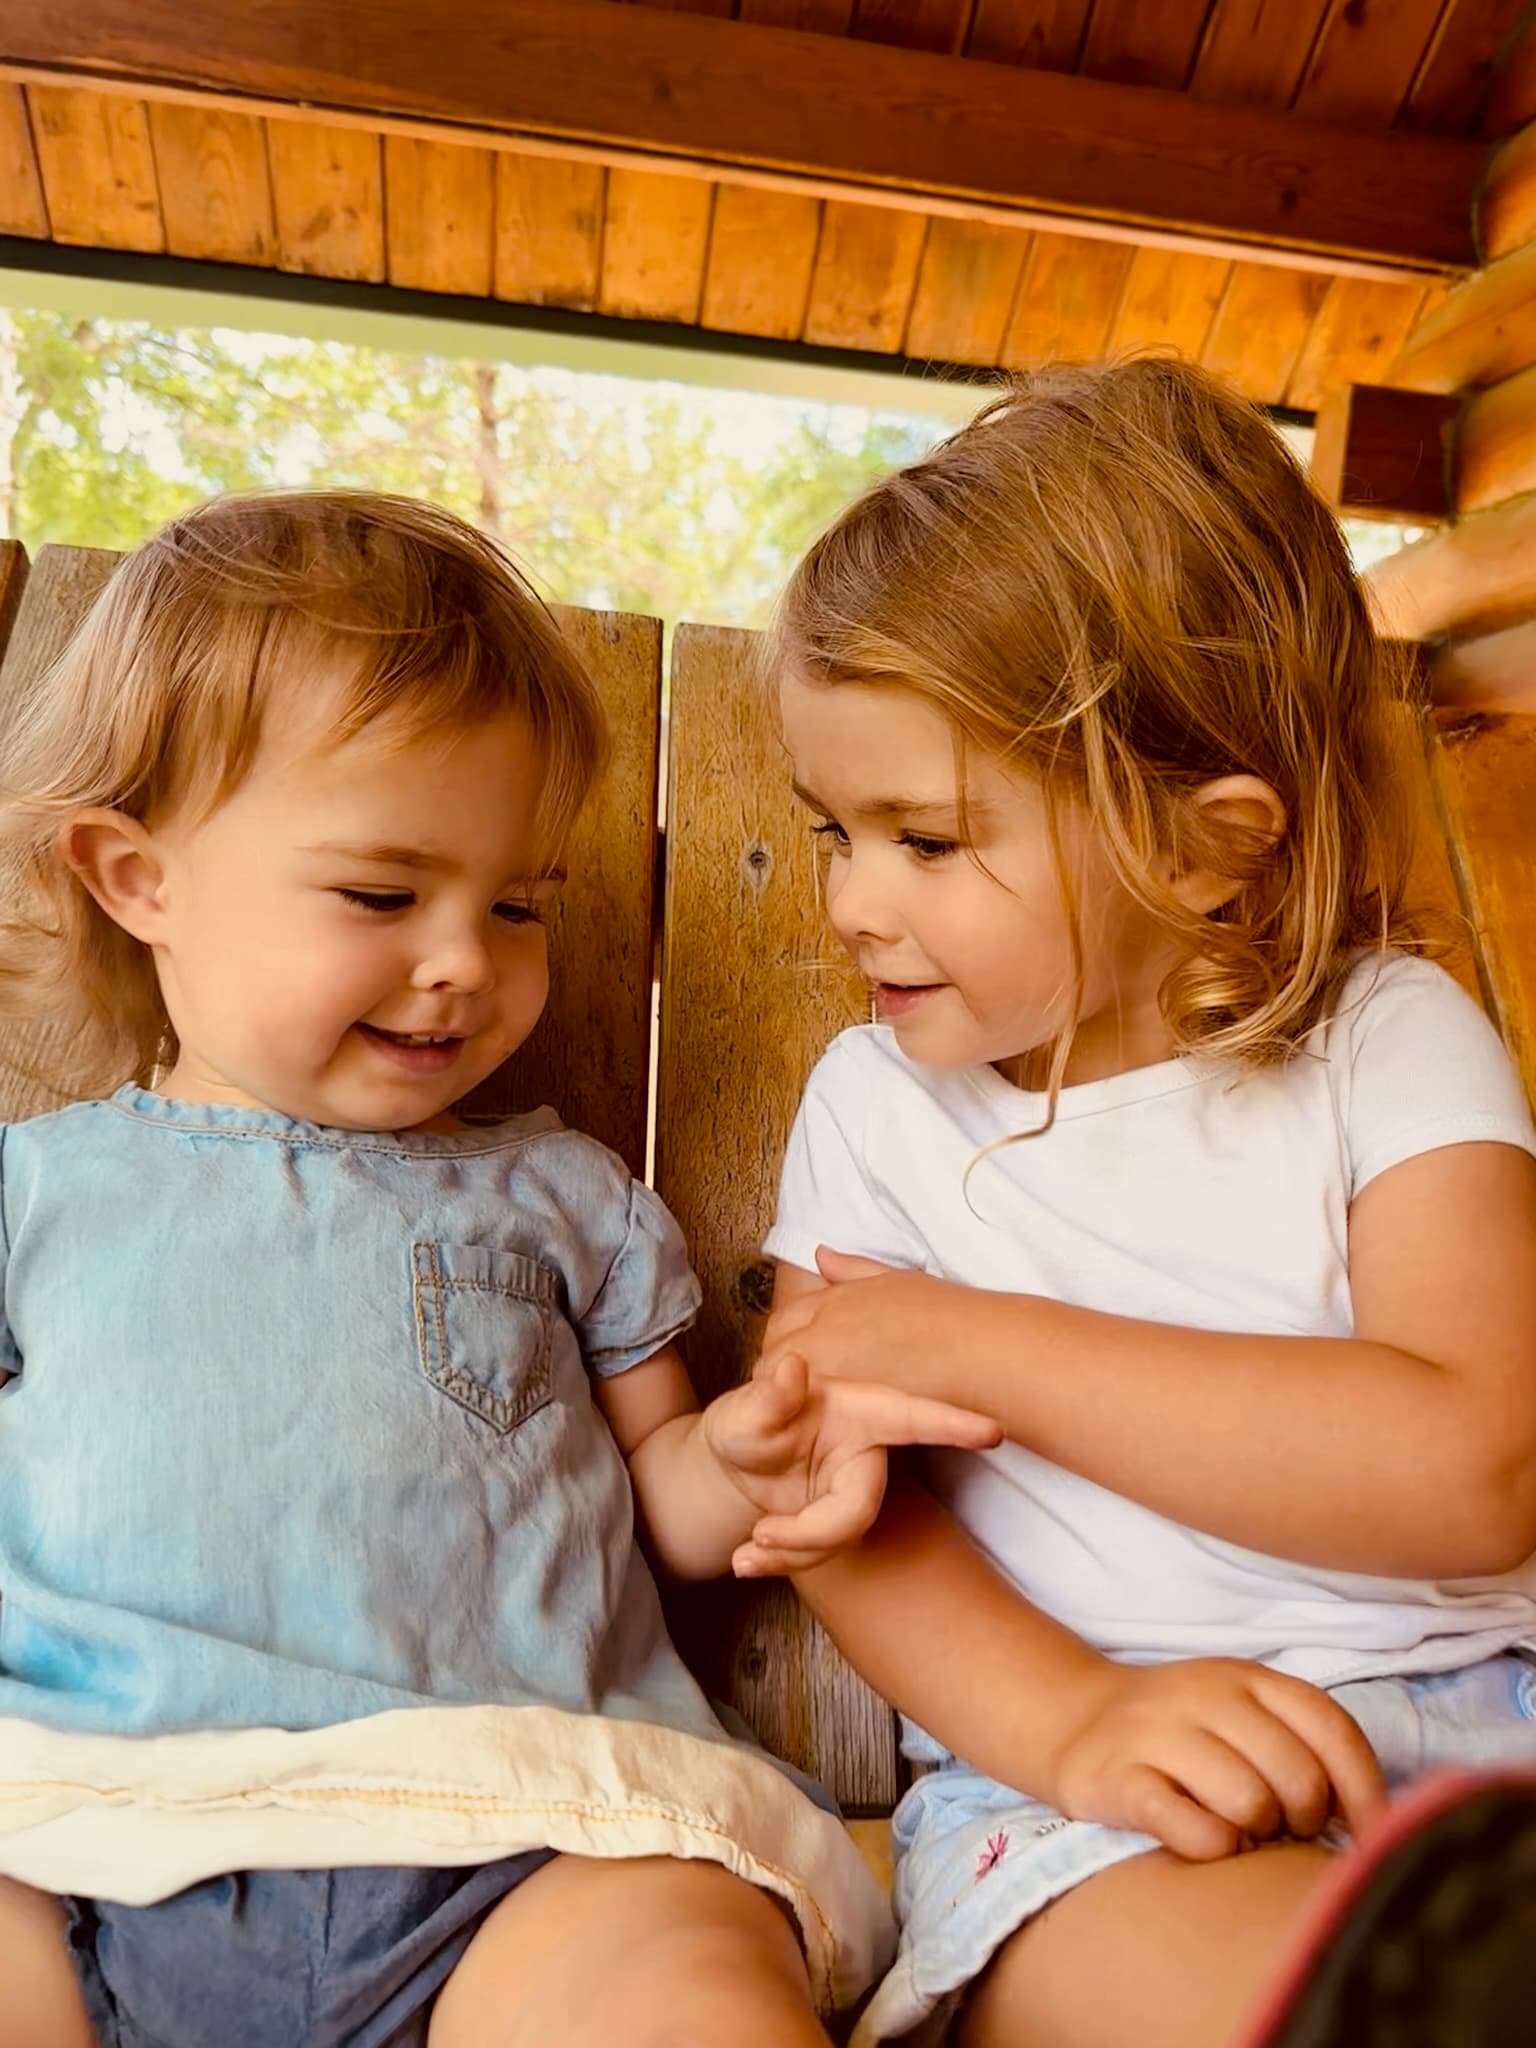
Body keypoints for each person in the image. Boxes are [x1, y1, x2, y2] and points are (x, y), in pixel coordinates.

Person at [0, 491, 998, 2048]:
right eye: (383, 895)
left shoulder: (559, 1197)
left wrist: (739, 1466)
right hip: (88, 1823)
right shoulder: (35, 1193)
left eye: (517, 903)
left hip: (538, 1832)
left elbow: (656, 1503)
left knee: (683, 1989)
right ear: (141, 879)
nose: (465, 957)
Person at [748, 358, 1536, 2047]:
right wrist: (1082, 1719)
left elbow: (1476, 1474)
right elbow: (845, 1518)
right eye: (836, 831)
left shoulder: (1385, 1041)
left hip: (1496, 1741)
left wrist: (981, 1345)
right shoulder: (877, 1112)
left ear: (1204, 845)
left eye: (929, 841)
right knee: (1253, 2000)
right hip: (1091, 1792)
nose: (851, 902)